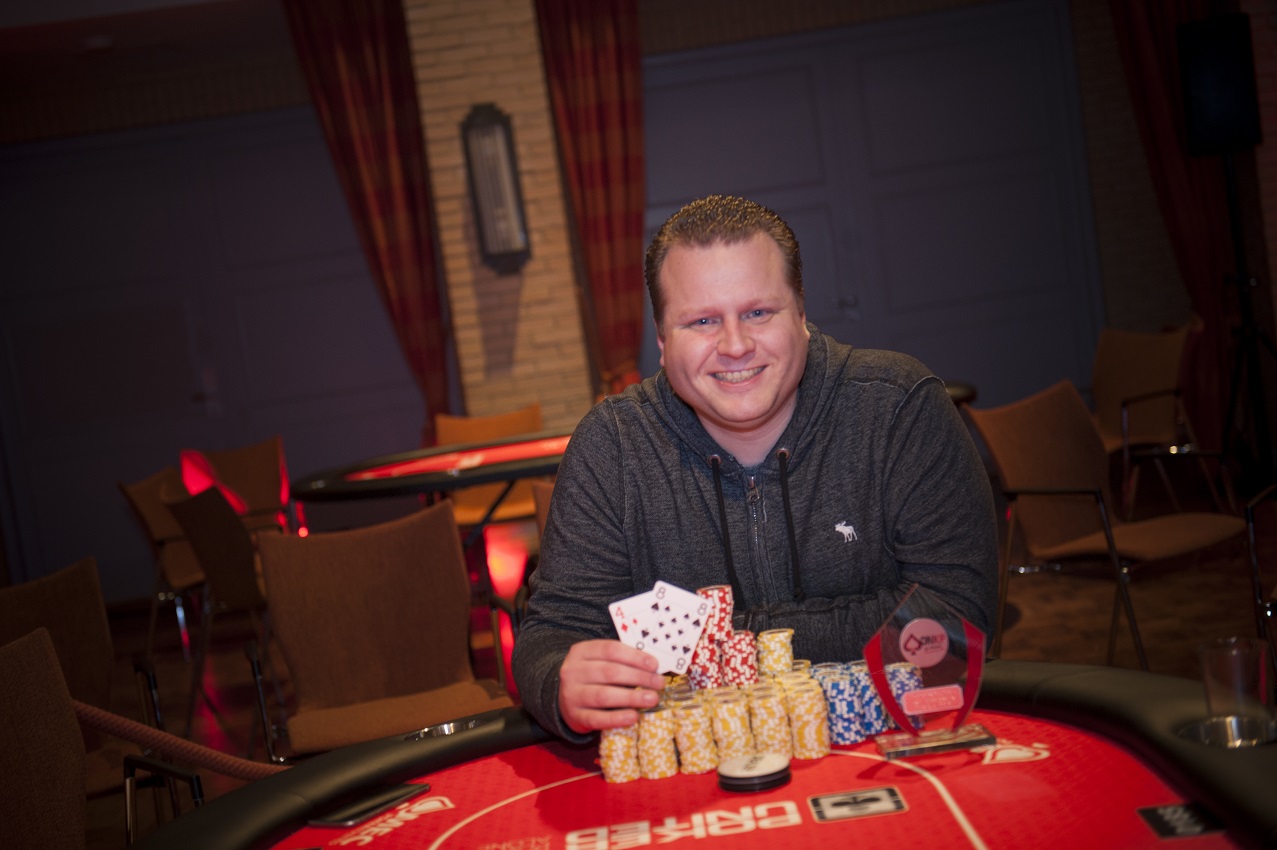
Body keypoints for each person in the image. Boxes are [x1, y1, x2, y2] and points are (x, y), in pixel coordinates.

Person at [512, 195, 998, 741]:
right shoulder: (612, 446)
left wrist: (714, 646)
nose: (736, 345)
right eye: (702, 321)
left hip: (895, 745)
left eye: (758, 313)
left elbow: (954, 621)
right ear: (663, 340)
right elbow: (552, 638)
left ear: (802, 314)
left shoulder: (898, 407)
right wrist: (561, 683)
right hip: (696, 772)